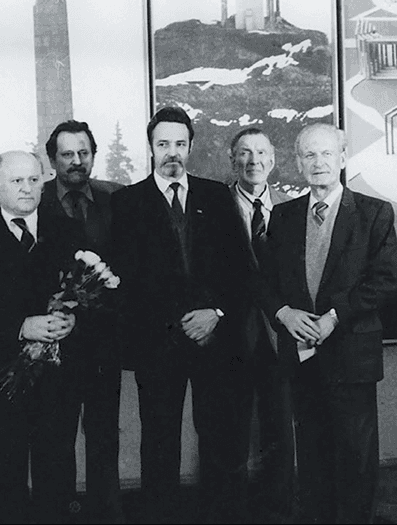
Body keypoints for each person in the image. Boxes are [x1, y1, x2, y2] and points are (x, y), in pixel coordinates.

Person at [110, 107, 250, 523]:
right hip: (157, 345)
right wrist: (173, 324)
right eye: (163, 144)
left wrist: (216, 313)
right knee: (159, 443)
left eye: (180, 144)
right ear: (151, 148)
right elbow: (126, 282)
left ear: (190, 147)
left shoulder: (216, 196)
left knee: (219, 439)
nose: (172, 152)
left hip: (214, 338)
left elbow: (240, 268)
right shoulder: (127, 202)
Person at [262, 123, 397, 523]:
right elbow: (266, 281)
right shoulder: (284, 215)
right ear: (298, 163)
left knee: (355, 458)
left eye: (326, 153)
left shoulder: (374, 212)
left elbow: (387, 280)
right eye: (309, 155)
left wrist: (334, 317)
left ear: (342, 158)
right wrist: (284, 313)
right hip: (301, 355)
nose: (318, 162)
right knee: (311, 455)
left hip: (352, 354)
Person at [0, 150, 85, 524]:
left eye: (33, 179)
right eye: (16, 181)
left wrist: (73, 321)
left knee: (56, 478)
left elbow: (89, 297)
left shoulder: (68, 232)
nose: (27, 188)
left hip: (58, 380)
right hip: (1, 380)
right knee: (6, 479)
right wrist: (21, 326)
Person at [39, 120, 125, 523]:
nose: (76, 161)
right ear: (52, 158)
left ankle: (107, 515)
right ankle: (60, 515)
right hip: (53, 343)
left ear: (93, 155)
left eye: (84, 153)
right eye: (67, 154)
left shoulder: (117, 199)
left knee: (105, 436)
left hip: (105, 344)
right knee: (54, 438)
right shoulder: (35, 200)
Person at [225, 127, 297, 521]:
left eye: (261, 152)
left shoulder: (292, 207)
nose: (253, 161)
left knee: (280, 430)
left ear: (273, 159)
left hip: (279, 336)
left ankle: (279, 510)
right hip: (231, 337)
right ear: (232, 159)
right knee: (230, 433)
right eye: (244, 153)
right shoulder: (215, 207)